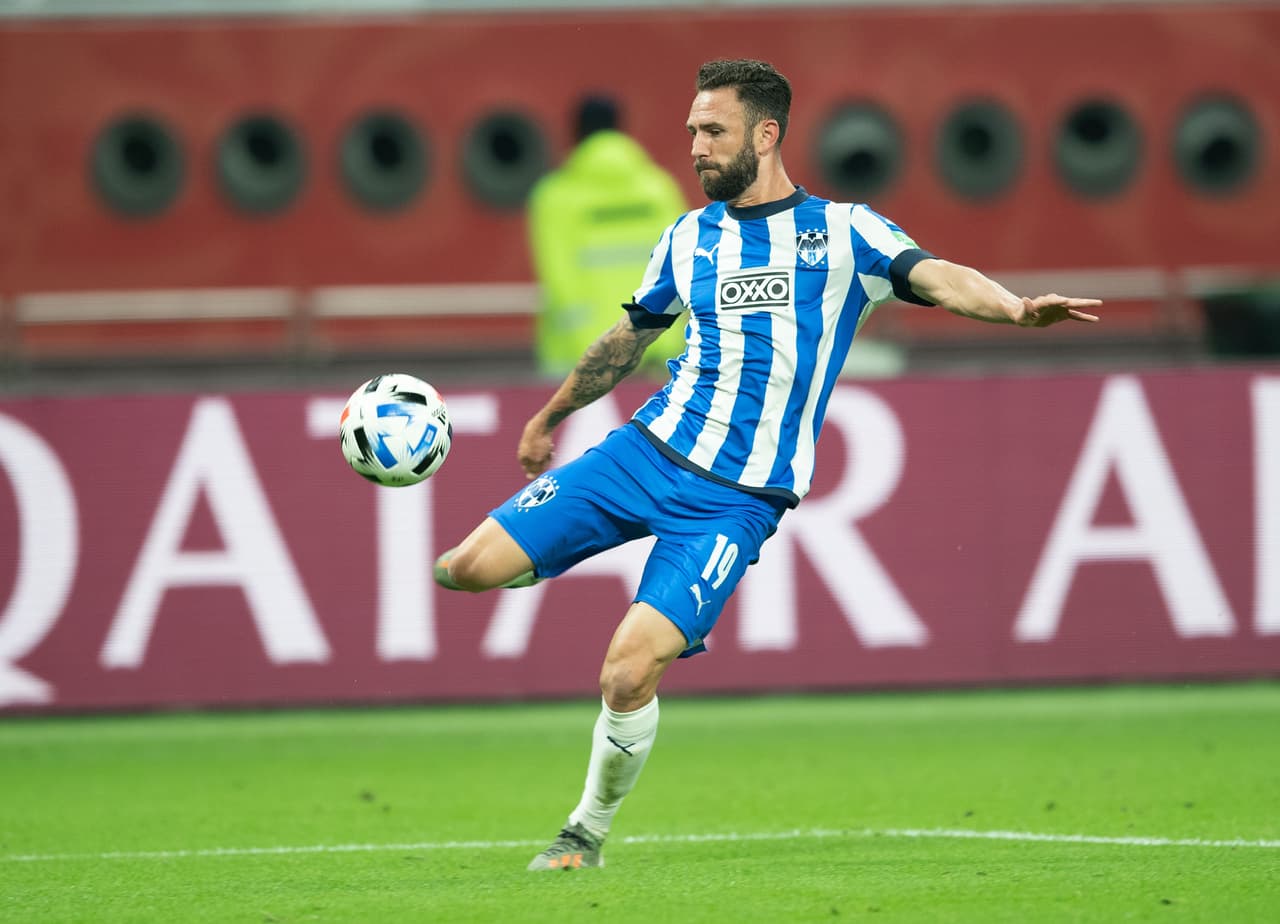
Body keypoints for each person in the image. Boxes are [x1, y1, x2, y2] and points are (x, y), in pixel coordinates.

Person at [434, 59, 1102, 871]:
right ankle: (540, 555)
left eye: (713, 131)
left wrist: (1015, 308)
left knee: (627, 673)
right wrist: (552, 415)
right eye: (692, 131)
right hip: (643, 453)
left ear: (765, 134)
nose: (696, 147)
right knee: (462, 570)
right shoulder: (687, 236)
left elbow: (936, 276)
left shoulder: (846, 232)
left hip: (735, 499)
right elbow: (630, 336)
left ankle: (584, 833)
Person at [527, 94, 688, 379]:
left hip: (581, 355)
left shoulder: (555, 196)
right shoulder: (659, 189)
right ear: (620, 127)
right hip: (656, 350)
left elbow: (557, 275)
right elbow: (684, 262)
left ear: (576, 132)